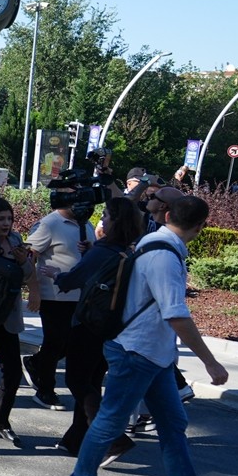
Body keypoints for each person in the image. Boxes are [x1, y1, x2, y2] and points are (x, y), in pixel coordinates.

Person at [64, 196, 238, 476]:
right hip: (137, 351)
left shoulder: (152, 242)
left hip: (151, 354)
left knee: (172, 425)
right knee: (110, 421)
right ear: (202, 227)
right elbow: (176, 314)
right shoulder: (165, 255)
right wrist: (210, 362)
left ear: (169, 214)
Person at [43, 197, 143, 460]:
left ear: (116, 221)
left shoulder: (102, 251)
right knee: (91, 384)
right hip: (109, 327)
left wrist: (55, 274)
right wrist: (91, 253)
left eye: (107, 217)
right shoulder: (125, 251)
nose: (102, 221)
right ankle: (75, 440)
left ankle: (113, 438)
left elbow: (72, 280)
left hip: (87, 324)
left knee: (77, 381)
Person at [24, 198, 95, 410]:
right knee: (55, 342)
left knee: (70, 344)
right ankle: (45, 390)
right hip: (53, 296)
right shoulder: (49, 224)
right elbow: (29, 256)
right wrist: (34, 291)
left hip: (80, 296)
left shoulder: (86, 224)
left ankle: (36, 363)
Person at [0, 197, 36, 446]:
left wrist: (23, 262)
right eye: (0, 219)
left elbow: (27, 275)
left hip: (6, 316)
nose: (6, 223)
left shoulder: (15, 241)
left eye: (9, 219)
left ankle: (2, 421)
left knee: (12, 371)